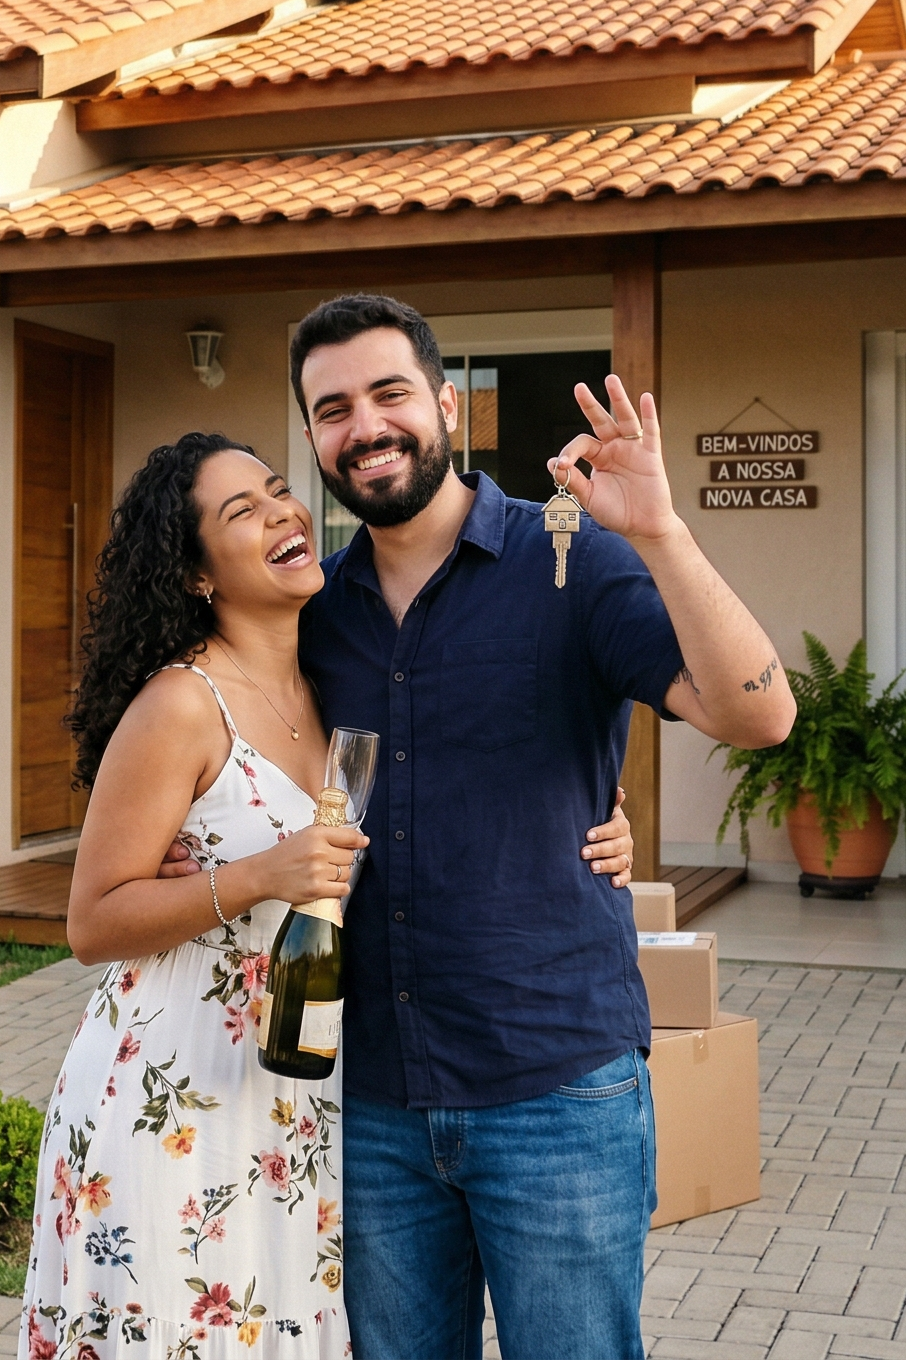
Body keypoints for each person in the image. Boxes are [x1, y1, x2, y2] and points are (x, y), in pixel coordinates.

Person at [19, 432, 637, 1360]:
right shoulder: (182, 705)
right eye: (243, 512)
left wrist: (594, 815)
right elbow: (91, 921)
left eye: (277, 491)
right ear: (195, 575)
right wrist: (260, 874)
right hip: (178, 1097)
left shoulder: (335, 679)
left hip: (300, 1101)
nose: (281, 513)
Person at [289, 293, 796, 1360]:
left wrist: (658, 529)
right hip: (372, 1096)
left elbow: (759, 715)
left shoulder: (571, 561)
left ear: (444, 404)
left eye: (388, 394)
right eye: (331, 409)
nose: (364, 426)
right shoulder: (311, 616)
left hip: (554, 1089)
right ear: (312, 438)